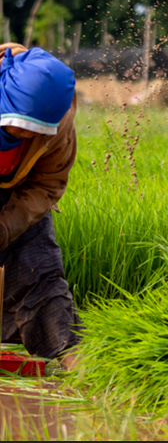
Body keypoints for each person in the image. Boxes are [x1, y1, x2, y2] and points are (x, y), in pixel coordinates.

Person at [0, 43, 80, 368]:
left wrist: (4, 228)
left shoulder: (60, 126)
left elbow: (46, 185)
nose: (21, 132)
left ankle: (71, 358)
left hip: (19, 192)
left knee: (39, 266)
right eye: (16, 122)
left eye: (33, 128)